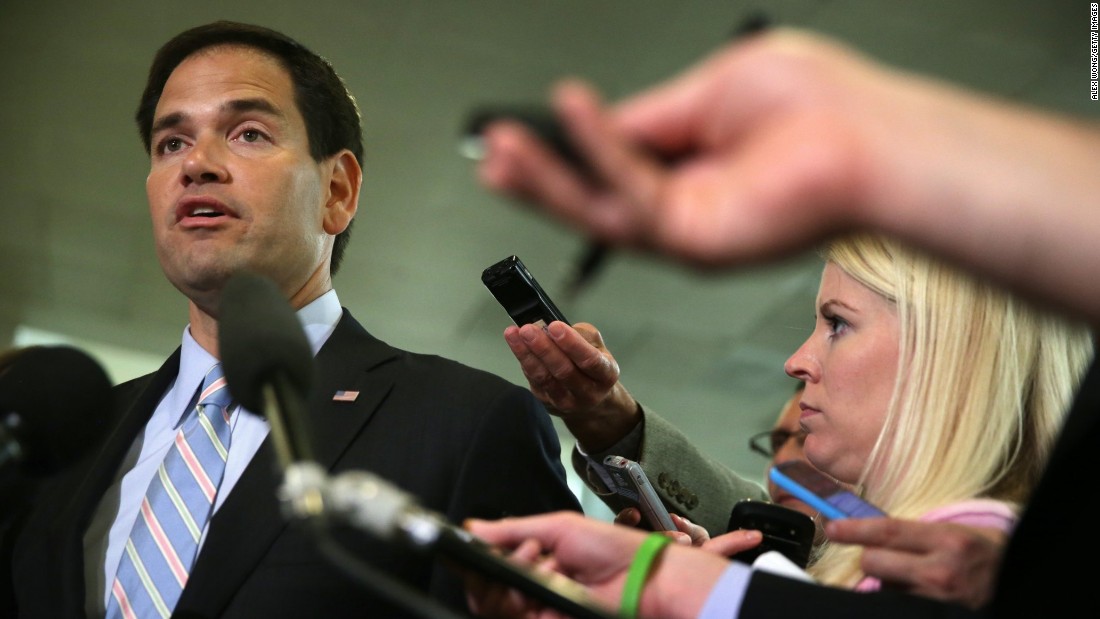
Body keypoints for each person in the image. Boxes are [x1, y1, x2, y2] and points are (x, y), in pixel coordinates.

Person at [463, 27, 1100, 618]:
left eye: (839, 324)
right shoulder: (908, 554)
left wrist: (665, 587)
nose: (796, 363)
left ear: (952, 354)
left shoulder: (957, 563)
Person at [0, 21, 582, 619]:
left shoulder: (465, 425)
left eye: (248, 133)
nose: (196, 164)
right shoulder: (56, 444)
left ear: (338, 192)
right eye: (170, 142)